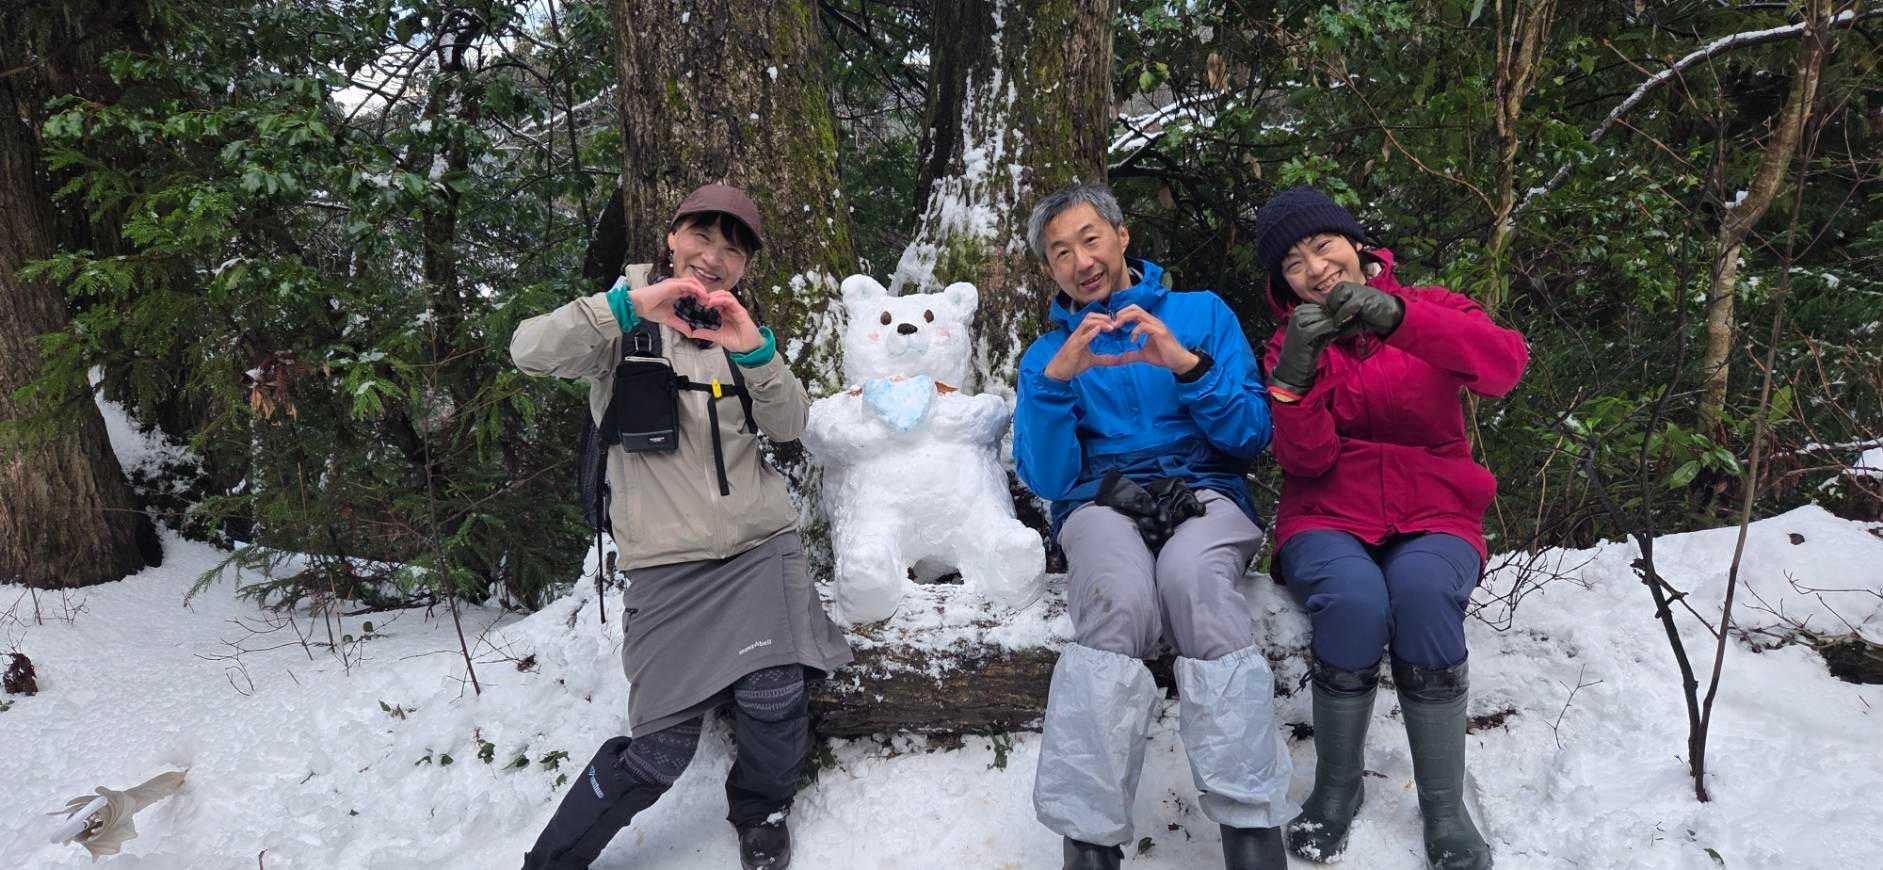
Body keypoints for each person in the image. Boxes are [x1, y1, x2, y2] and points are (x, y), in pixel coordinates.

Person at [509, 183, 854, 870]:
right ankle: (550, 862)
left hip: (759, 549)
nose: (713, 257)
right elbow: (528, 350)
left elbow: (790, 425)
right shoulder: (623, 321)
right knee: (659, 751)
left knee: (774, 693)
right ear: (671, 238)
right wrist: (630, 306)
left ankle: (761, 809)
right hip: (665, 565)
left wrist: (753, 350)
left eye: (733, 249)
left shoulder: (739, 329)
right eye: (701, 236)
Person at [1013, 183, 1292, 870]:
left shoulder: (1201, 313)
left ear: (1121, 235)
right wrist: (1054, 384)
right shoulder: (1047, 354)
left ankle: (1250, 827)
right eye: (1060, 252)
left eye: (1090, 239)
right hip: (1101, 502)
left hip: (1205, 491)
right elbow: (1047, 479)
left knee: (1195, 582)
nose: (1081, 261)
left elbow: (1249, 434)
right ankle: (1088, 840)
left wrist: (1187, 365)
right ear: (1049, 269)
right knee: (1117, 600)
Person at [1252, 186, 1528, 870]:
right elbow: (1305, 461)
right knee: (1353, 600)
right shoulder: (1287, 341)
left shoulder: (1432, 305)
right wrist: (1293, 380)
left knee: (1424, 595)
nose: (1315, 269)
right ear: (1283, 283)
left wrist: (1400, 319)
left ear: (1355, 244)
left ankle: (1444, 807)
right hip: (1326, 512)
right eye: (1293, 263)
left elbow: (1502, 367)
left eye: (1323, 247)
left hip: (1436, 507)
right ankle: (1335, 789)